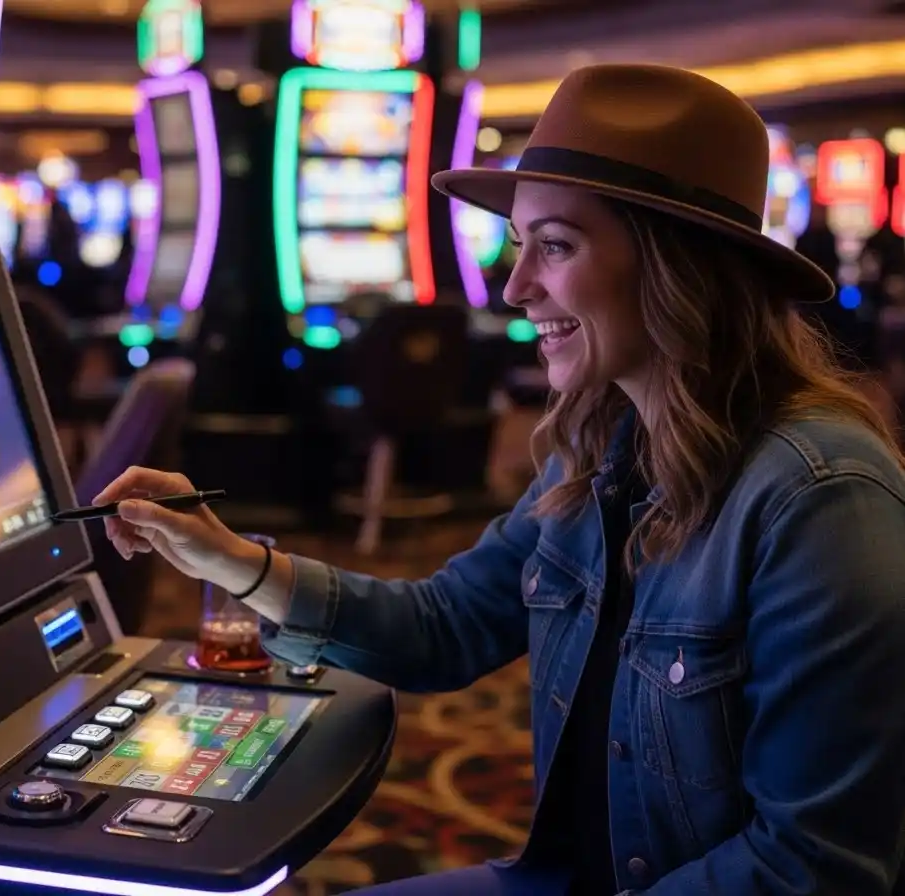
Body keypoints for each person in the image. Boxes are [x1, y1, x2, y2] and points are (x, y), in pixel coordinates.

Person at [94, 65, 905, 895]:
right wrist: (231, 560)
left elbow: (812, 869)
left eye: (554, 245)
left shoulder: (820, 496)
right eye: (519, 247)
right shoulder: (595, 449)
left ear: (677, 265)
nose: (515, 289)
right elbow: (444, 627)